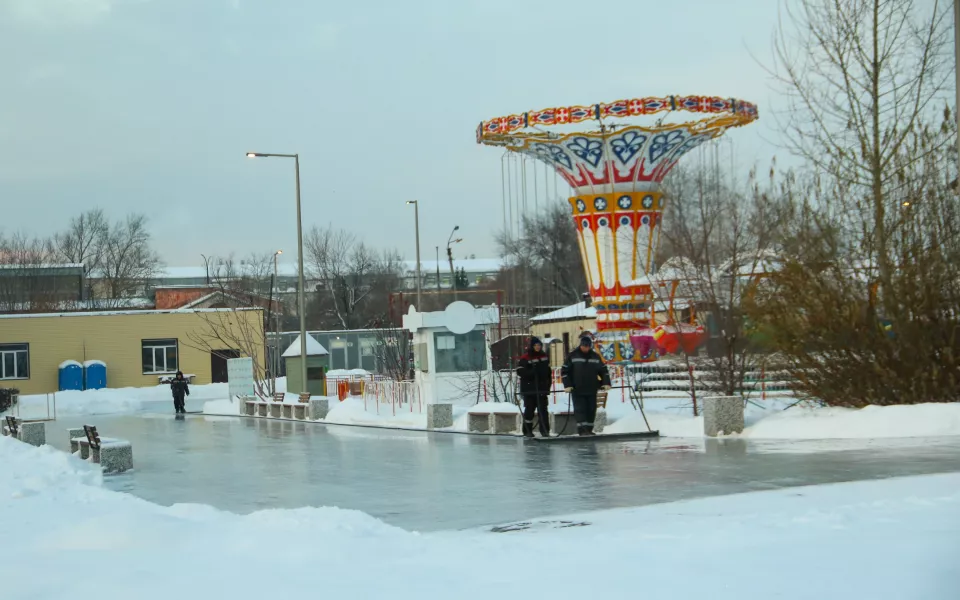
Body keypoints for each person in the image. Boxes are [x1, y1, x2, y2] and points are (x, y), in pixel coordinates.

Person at [560, 335, 611, 436]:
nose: (586, 348)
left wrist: (606, 382)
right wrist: (567, 385)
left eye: (588, 346)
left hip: (591, 388)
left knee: (591, 409)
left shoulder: (595, 356)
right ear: (581, 345)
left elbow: (603, 370)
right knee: (580, 410)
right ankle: (582, 430)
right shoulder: (573, 356)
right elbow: (565, 371)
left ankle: (589, 429)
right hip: (577, 388)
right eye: (584, 346)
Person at [517, 336, 553, 438]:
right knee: (529, 411)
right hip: (529, 390)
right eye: (536, 345)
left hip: (541, 389)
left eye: (539, 345)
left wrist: (547, 386)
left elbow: (548, 373)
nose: (537, 347)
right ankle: (527, 431)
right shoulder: (525, 358)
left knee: (543, 411)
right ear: (532, 346)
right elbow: (520, 372)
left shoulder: (544, 356)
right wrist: (531, 372)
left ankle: (545, 431)